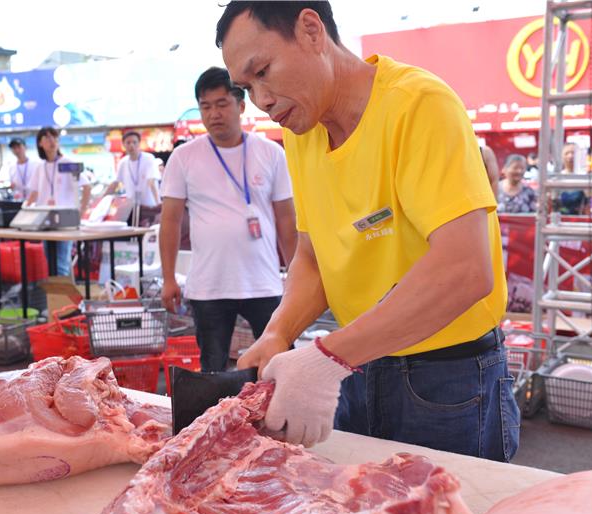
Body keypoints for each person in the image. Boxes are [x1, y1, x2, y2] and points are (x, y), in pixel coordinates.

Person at [217, 1, 519, 460]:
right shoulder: (302, 133)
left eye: (263, 72)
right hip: (356, 363)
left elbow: (464, 269)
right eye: (247, 87)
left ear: (311, 30)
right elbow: (313, 256)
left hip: (447, 378)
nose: (261, 100)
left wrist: (328, 357)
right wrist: (279, 331)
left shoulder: (417, 104)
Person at [159, 66, 298, 372]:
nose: (214, 114)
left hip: (263, 283)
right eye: (205, 107)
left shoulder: (271, 153)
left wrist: (297, 276)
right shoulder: (183, 157)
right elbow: (170, 221)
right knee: (213, 369)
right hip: (209, 285)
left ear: (241, 105)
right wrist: (168, 278)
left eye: (222, 104)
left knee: (281, 365)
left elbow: (286, 220)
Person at [26, 126, 91, 276]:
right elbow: (34, 192)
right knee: (51, 261)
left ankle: (62, 291)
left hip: (65, 219)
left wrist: (81, 211)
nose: (52, 141)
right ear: (40, 143)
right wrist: (25, 210)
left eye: (54, 137)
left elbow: (86, 186)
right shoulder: (40, 167)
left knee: (60, 263)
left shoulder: (67, 162)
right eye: (47, 138)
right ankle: (62, 290)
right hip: (45, 219)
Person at [107, 131, 161, 226]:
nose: (131, 145)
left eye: (134, 142)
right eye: (128, 143)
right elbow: (115, 183)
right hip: (131, 208)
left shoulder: (148, 159)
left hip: (149, 206)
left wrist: (158, 204)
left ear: (139, 143)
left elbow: (152, 182)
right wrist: (103, 199)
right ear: (124, 145)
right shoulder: (123, 162)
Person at [559, 142, 587, 214]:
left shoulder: (584, 176)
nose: (570, 156)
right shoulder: (558, 176)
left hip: (580, 217)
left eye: (573, 153)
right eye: (567, 153)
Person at [8, 137, 38, 201]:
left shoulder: (36, 164)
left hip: (35, 201)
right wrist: (12, 187)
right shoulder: (12, 167)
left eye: (19, 147)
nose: (17, 150)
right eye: (14, 148)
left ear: (25, 147)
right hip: (19, 201)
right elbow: (13, 186)